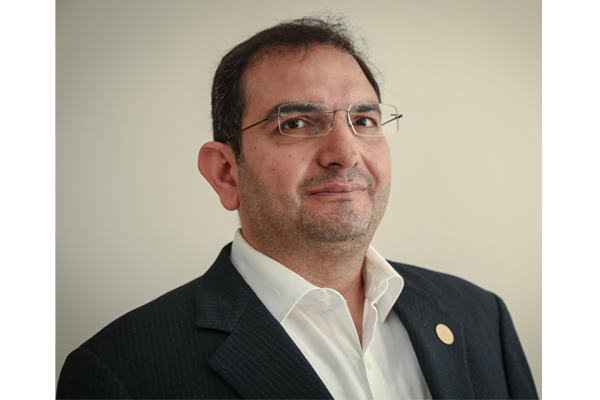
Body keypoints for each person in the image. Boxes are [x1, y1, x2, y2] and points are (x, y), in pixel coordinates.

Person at [57, 16, 538, 399]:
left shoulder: (480, 316)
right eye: (296, 123)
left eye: (363, 120)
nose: (345, 153)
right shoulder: (120, 372)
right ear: (226, 173)